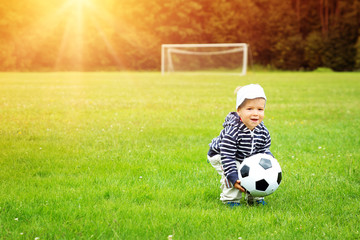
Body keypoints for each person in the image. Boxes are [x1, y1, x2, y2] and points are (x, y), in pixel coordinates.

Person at [207, 84, 273, 207]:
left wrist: (270, 163)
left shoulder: (263, 131)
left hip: (243, 155)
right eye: (249, 109)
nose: (255, 114)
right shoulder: (233, 131)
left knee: (258, 170)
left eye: (260, 109)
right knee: (236, 172)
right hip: (221, 154)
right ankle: (231, 200)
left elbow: (264, 150)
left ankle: (255, 198)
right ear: (239, 111)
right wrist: (233, 177)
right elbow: (228, 156)